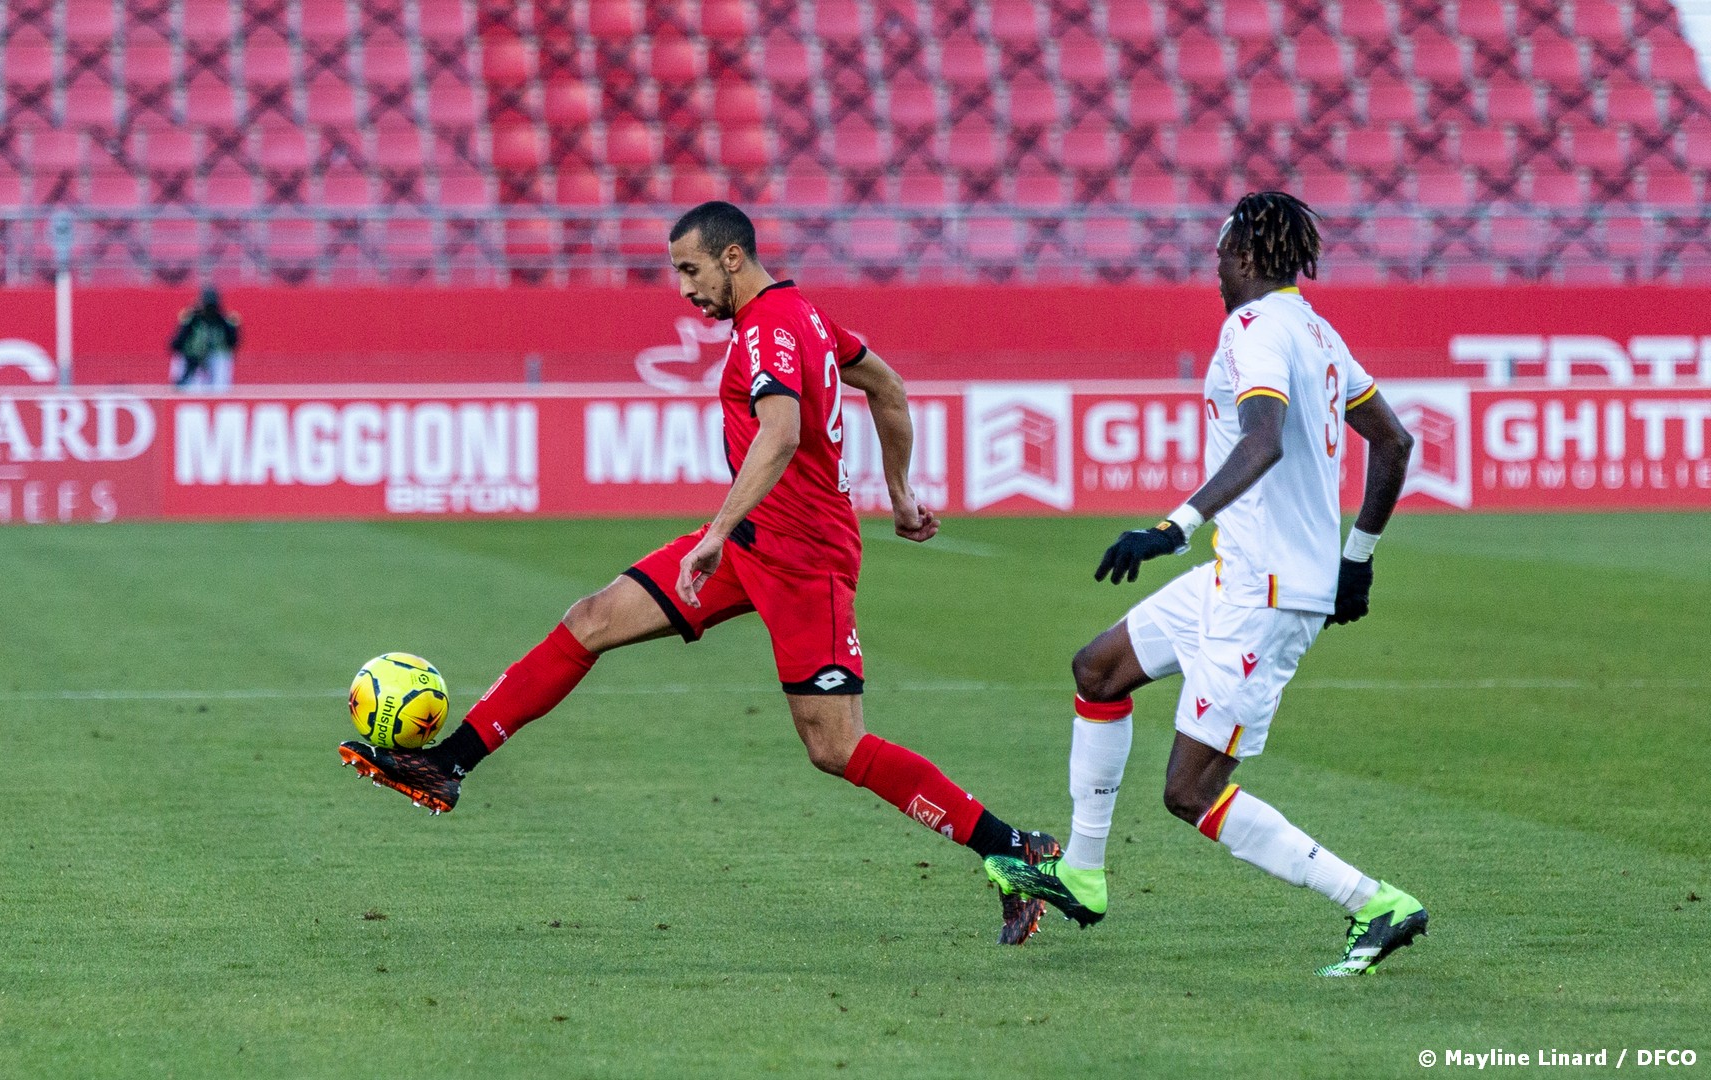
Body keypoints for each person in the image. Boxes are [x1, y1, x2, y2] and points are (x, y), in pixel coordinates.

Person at [340, 201, 1063, 945]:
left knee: (835, 746)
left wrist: (716, 532)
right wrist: (901, 496)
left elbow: (782, 434)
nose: (685, 289)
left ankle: (1013, 849)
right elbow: (888, 387)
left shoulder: (771, 328)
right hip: (754, 541)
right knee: (591, 619)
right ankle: (449, 765)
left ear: (731, 258)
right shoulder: (805, 318)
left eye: (691, 270)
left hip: (803, 559)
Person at [987, 192, 1427, 977]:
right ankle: (1082, 874)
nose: (1215, 269)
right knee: (1099, 669)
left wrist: (1172, 526)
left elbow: (1262, 441)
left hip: (1265, 596)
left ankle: (1375, 903)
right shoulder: (1319, 333)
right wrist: (1357, 559)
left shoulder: (1253, 329)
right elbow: (1392, 442)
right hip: (1240, 575)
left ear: (1248, 255)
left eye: (1221, 254)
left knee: (1190, 791)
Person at [170, 286, 240, 390]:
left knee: (222, 358)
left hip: (215, 358)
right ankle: (186, 385)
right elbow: (175, 344)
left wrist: (224, 322)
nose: (209, 310)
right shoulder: (192, 318)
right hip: (192, 358)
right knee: (190, 384)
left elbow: (233, 343)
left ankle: (219, 389)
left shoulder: (224, 320)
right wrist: (193, 355)